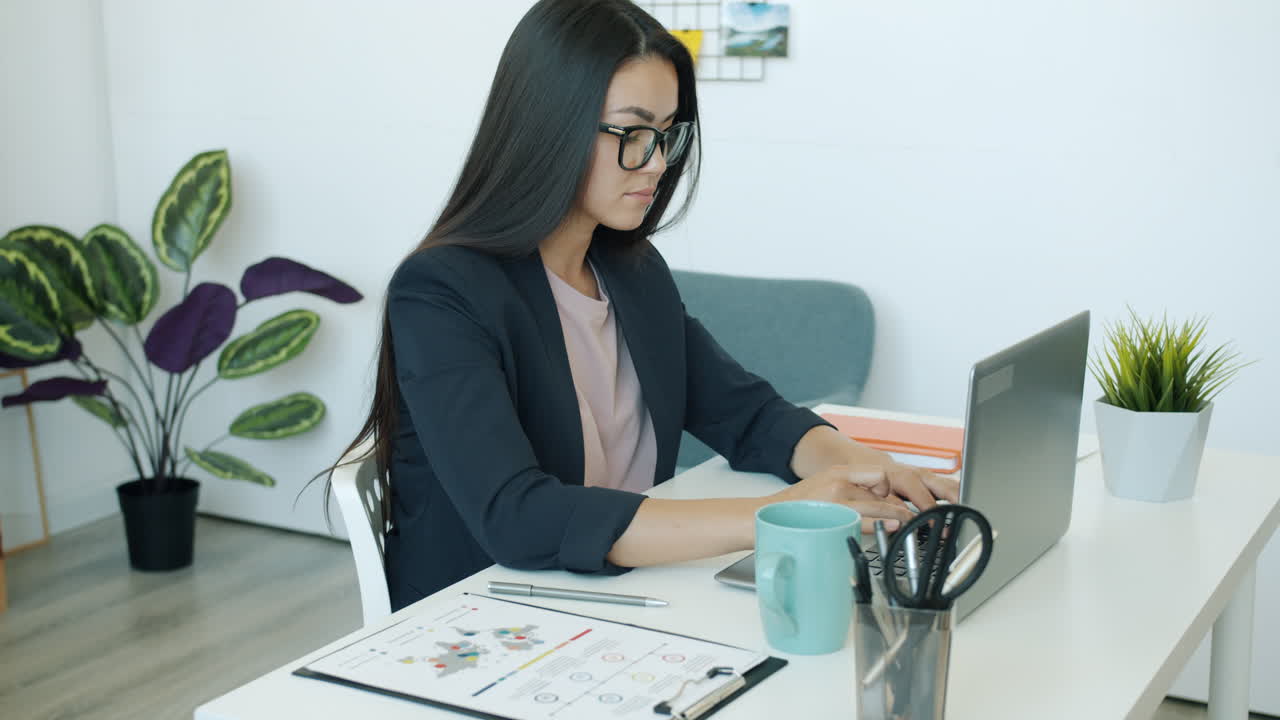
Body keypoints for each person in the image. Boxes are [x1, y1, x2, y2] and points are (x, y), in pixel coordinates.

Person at [333, 0, 958, 612]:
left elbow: (748, 415)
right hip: (489, 612)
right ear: (548, 126)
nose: (657, 163)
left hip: (622, 593)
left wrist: (873, 473)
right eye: (631, 134)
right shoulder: (442, 291)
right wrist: (785, 517)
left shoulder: (629, 269)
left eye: (666, 134)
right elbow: (518, 518)